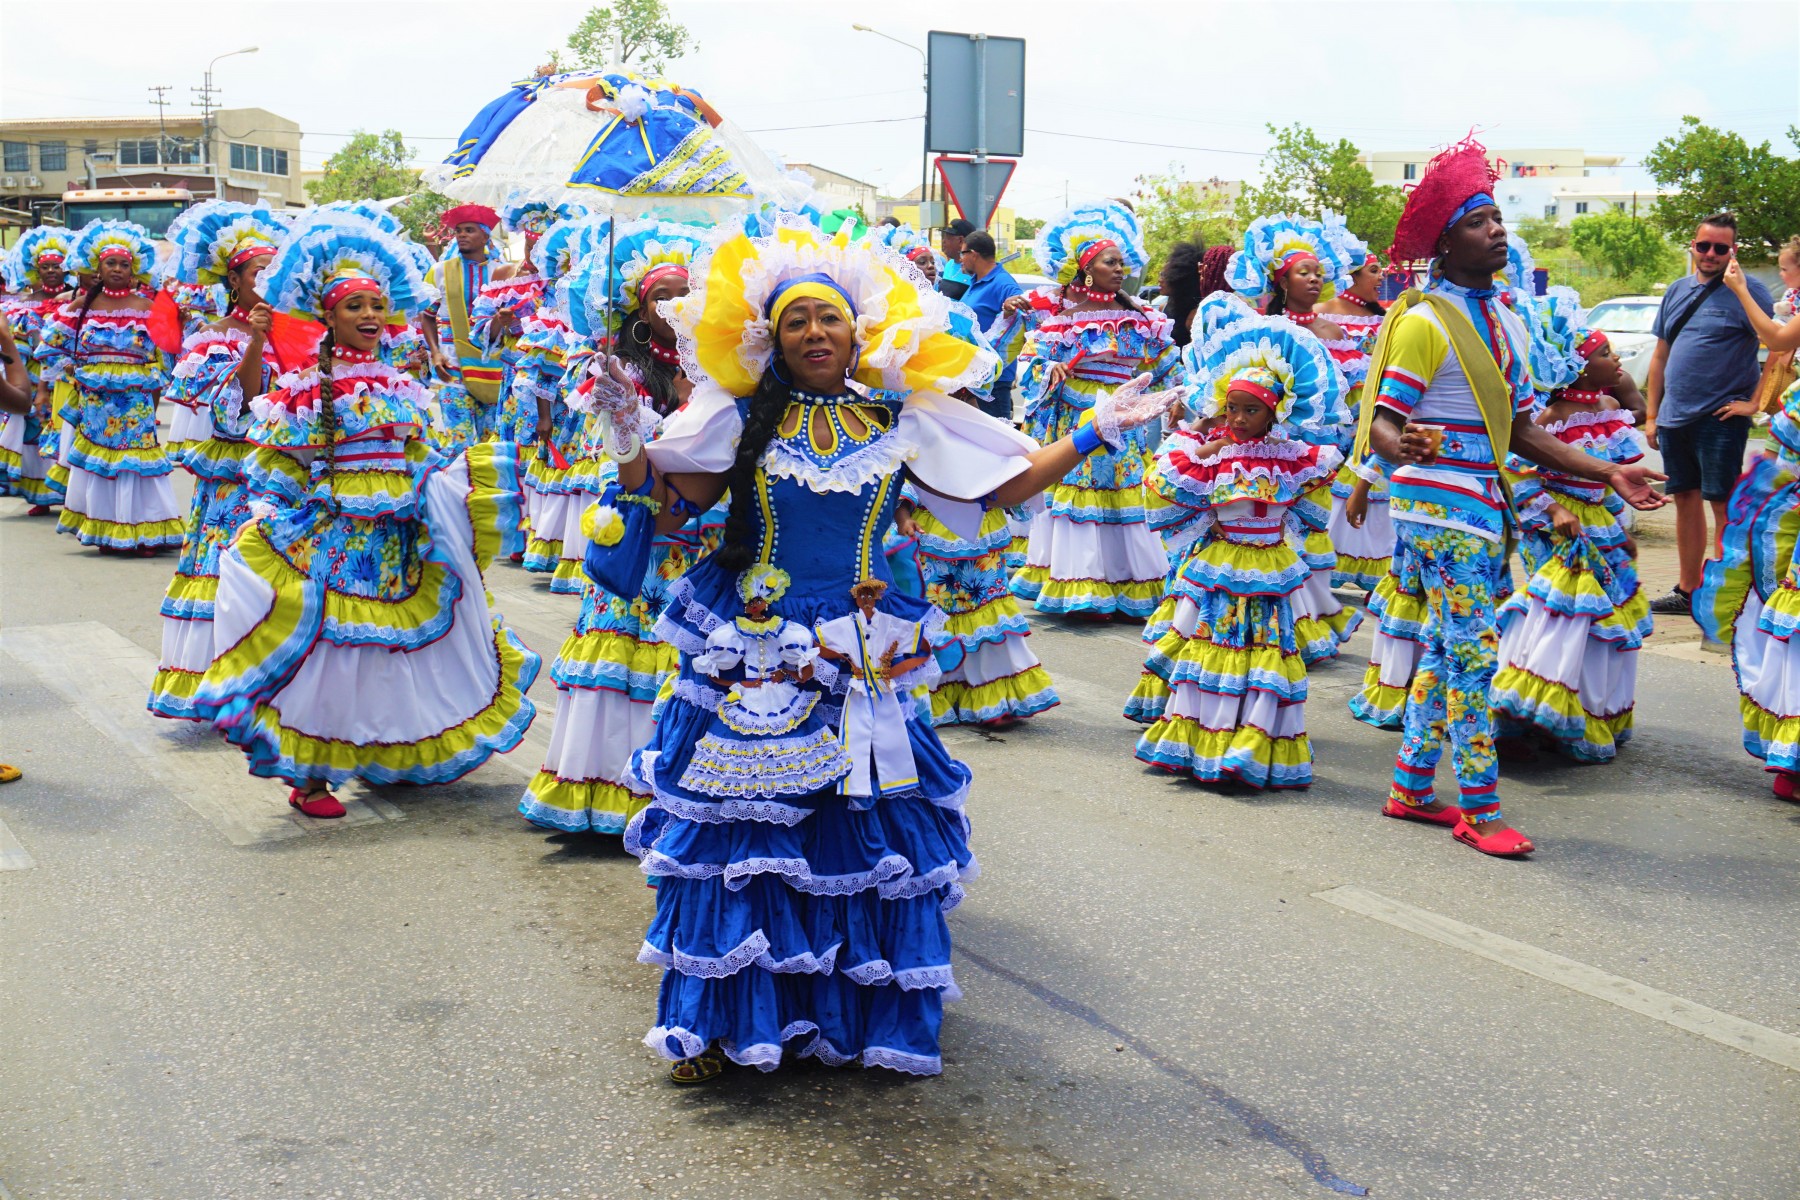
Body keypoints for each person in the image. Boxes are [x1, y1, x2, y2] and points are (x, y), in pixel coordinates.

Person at [577, 214, 1181, 1082]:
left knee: (864, 822)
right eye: (796, 321)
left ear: (859, 329)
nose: (815, 333)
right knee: (748, 834)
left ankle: (847, 1011)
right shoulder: (742, 414)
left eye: (829, 318)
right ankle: (719, 1022)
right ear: (767, 337)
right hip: (760, 640)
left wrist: (1094, 429)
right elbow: (670, 502)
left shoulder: (901, 415)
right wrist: (629, 437)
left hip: (866, 639)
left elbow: (1002, 483)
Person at [1351, 137, 1666, 858]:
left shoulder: (1505, 320)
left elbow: (1523, 431)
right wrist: (1403, 447)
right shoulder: (1427, 322)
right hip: (1440, 509)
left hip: (1481, 504)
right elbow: (1383, 425)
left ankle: (1411, 789)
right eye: (1478, 219)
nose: (1496, 229)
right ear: (1444, 241)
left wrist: (1606, 472)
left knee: (1444, 646)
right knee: (1472, 655)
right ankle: (1481, 810)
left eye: (1497, 217)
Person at [190, 210, 538, 819]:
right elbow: (280, 466)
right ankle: (312, 777)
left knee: (388, 650)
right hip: (336, 537)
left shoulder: (403, 384)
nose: (371, 316)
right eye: (355, 307)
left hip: (400, 534)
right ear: (327, 316)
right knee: (335, 650)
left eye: (378, 304)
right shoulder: (302, 388)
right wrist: (272, 521)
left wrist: (461, 486)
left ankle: (384, 752)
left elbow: (420, 455)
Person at [517, 220, 715, 835]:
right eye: (661, 297)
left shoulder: (721, 360)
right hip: (638, 526)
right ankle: (607, 793)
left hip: (699, 530)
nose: (674, 307)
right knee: (626, 647)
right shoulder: (613, 365)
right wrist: (624, 409)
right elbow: (621, 458)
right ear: (638, 306)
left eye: (685, 294)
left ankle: (682, 793)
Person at [1129, 297, 1350, 787]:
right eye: (1233, 407)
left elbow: (1312, 509)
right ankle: (1206, 741)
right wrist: (1208, 439)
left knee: (1266, 654)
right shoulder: (1214, 455)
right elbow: (1169, 479)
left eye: (1253, 410)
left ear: (1276, 414)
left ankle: (1252, 742)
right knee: (1216, 645)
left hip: (1270, 569)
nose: (1241, 418)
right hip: (1224, 569)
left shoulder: (1293, 457)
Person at [993, 202, 1180, 620]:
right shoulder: (1064, 319)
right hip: (1077, 419)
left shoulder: (1142, 317)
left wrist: (1181, 397)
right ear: (1087, 269)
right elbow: (1030, 358)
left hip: (1125, 414)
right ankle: (1082, 586)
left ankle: (1129, 582)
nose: (1119, 268)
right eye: (1109, 262)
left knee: (1124, 493)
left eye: (1121, 262)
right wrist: (1048, 367)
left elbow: (1167, 361)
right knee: (1080, 497)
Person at [1491, 289, 1650, 762]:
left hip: (1601, 527)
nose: (1615, 357)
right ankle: (1536, 710)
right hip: (1559, 531)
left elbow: (1612, 478)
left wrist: (1621, 531)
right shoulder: (1551, 417)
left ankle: (1587, 711)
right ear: (1576, 367)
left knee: (1605, 622)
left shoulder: (1608, 411)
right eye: (1604, 352)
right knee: (1562, 619)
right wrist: (1555, 511)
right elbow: (1517, 470)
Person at [147, 201, 292, 720]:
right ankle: (229, 688)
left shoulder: (298, 331)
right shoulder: (212, 339)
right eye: (259, 272)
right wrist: (255, 340)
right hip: (236, 476)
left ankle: (281, 685)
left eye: (277, 271)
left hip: (288, 475)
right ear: (235, 279)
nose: (268, 281)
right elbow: (240, 412)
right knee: (230, 572)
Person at [1226, 214, 1363, 661]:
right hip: (1271, 449)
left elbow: (1356, 394)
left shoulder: (1335, 330)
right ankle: (1273, 628)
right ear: (1280, 278)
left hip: (1322, 450)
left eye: (1319, 272)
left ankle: (1309, 626)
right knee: (1272, 534)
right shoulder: (1261, 329)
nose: (1314, 278)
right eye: (1304, 271)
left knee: (1310, 530)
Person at [1643, 212, 1771, 615]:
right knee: (1684, 500)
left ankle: (1727, 597)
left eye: (1721, 247)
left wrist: (1754, 403)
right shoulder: (1677, 290)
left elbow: (1778, 349)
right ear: (1693, 246)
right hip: (1674, 416)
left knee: (1723, 505)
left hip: (1720, 419)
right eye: (1704, 246)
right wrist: (1651, 415)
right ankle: (1688, 589)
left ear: (1732, 250)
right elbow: (1660, 354)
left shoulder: (1749, 291)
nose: (1711, 254)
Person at [37, 221, 184, 554]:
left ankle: (144, 531)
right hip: (94, 403)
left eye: (124, 264)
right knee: (101, 462)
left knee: (135, 460)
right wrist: (73, 370)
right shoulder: (81, 307)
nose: (117, 269)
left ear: (134, 270)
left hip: (135, 402)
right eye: (110, 263)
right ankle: (105, 529)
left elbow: (168, 355)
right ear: (98, 267)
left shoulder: (148, 308)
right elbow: (50, 347)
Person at [0, 227, 75, 513]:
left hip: (64, 377)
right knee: (35, 431)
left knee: (64, 431)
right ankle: (41, 495)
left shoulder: (74, 300)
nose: (52, 271)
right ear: (37, 270)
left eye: (57, 265)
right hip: (32, 375)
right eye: (46, 266)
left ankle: (69, 494)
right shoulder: (23, 304)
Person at [422, 204, 508, 445]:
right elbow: (427, 314)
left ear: (485, 236)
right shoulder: (439, 271)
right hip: (452, 364)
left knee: (491, 443)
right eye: (458, 230)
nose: (461, 235)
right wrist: (435, 352)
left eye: (469, 230)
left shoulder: (501, 272)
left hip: (492, 365)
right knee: (458, 442)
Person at [958, 230, 1023, 420]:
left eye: (963, 254)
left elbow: (1021, 307)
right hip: (974, 377)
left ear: (974, 254)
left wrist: (1010, 306)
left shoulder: (1002, 282)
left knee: (997, 443)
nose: (961, 259)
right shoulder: (976, 282)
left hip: (994, 380)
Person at [1158, 240, 1205, 347]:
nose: (1160, 280)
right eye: (1161, 274)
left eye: (1165, 275)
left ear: (1180, 280)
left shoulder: (1195, 314)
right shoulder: (1163, 308)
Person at [937, 218, 976, 300]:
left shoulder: (973, 269)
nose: (943, 241)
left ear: (961, 241)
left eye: (947, 238)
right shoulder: (949, 264)